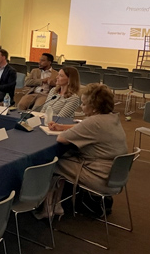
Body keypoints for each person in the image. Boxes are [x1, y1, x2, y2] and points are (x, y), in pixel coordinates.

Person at [38, 84, 128, 219]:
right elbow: (82, 127)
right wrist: (62, 126)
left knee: (53, 161)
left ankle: (48, 208)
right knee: (67, 158)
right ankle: (56, 205)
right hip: (116, 176)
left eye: (84, 104)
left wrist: (61, 130)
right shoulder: (111, 118)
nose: (82, 107)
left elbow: (62, 139)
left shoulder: (94, 122)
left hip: (100, 177)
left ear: (94, 107)